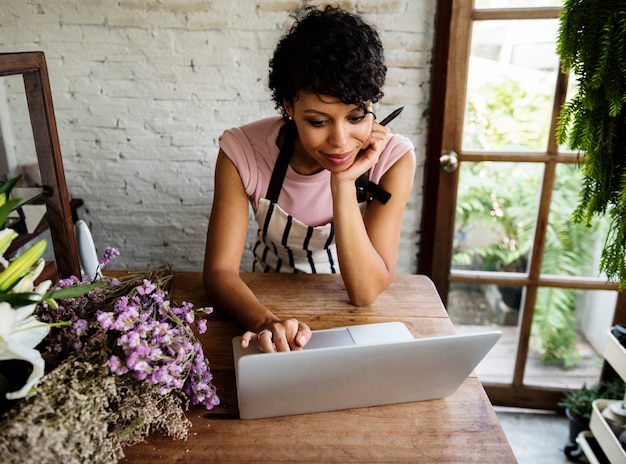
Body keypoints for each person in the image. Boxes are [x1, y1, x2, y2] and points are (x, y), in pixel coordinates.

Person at [203, 5, 415, 353]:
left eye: (357, 116)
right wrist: (264, 322)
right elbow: (219, 273)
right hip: (259, 299)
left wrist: (343, 184)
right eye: (318, 121)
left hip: (346, 309)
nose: (341, 141)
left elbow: (364, 293)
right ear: (289, 106)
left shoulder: (394, 160)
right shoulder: (242, 152)